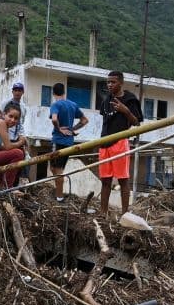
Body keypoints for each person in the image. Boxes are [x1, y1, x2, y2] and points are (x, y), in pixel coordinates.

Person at [98, 70, 142, 217]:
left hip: (120, 142)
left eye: (113, 82)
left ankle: (125, 214)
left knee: (123, 180)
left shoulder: (130, 99)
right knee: (105, 181)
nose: (110, 85)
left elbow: (136, 122)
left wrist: (126, 111)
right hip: (104, 143)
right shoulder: (106, 100)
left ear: (121, 82)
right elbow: (105, 122)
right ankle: (103, 213)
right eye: (108, 82)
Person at [48, 82, 89, 202]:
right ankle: (58, 191)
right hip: (69, 142)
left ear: (53, 93)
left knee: (57, 169)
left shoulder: (56, 105)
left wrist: (59, 128)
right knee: (55, 168)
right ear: (64, 92)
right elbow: (85, 120)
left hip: (58, 140)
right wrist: (73, 129)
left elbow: (54, 119)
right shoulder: (73, 105)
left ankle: (59, 196)